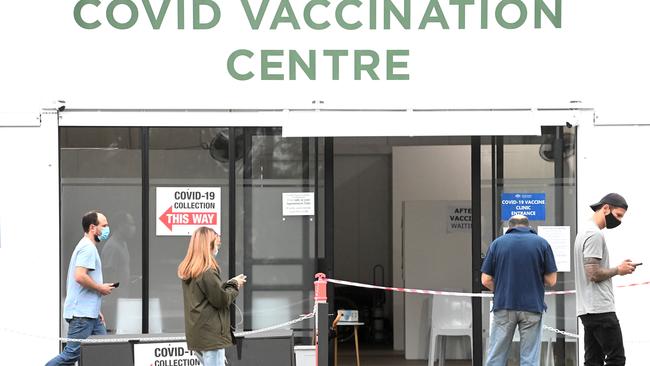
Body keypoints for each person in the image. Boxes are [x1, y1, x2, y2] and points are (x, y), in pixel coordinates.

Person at [481, 215, 558, 366]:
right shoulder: (542, 244)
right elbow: (552, 280)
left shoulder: (497, 244)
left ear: (509, 227)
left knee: (496, 356)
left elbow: (485, 280)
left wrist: (503, 288)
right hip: (532, 307)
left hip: (504, 305)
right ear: (528, 226)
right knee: (529, 359)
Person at [46, 211, 115, 366]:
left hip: (90, 314)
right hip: (82, 316)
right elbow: (79, 276)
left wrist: (96, 309)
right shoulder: (88, 248)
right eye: (104, 226)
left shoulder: (87, 246)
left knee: (104, 351)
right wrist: (100, 288)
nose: (107, 229)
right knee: (71, 355)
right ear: (92, 227)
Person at [574, 193, 637, 366]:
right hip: (600, 308)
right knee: (616, 358)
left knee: (593, 360)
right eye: (618, 215)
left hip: (587, 309)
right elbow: (593, 274)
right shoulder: (594, 234)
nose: (619, 221)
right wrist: (619, 269)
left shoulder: (583, 232)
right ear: (606, 208)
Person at [178, 227, 247, 366]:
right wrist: (235, 285)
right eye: (217, 244)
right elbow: (221, 300)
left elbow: (208, 293)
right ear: (208, 245)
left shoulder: (192, 269)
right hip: (211, 335)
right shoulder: (207, 271)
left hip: (199, 333)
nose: (218, 248)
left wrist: (229, 283)